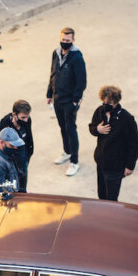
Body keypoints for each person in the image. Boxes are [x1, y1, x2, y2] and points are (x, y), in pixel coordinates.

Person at [88, 85, 138, 202]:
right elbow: (91, 127)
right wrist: (97, 129)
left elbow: (135, 143)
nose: (106, 105)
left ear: (116, 102)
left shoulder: (126, 119)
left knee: (111, 200)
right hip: (101, 162)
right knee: (101, 195)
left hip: (116, 167)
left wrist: (130, 166)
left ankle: (110, 219)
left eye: (110, 103)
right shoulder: (100, 111)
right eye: (104, 102)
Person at [45, 27, 87, 176]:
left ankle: (74, 162)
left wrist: (75, 100)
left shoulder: (77, 57)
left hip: (70, 101)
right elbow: (52, 74)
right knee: (62, 127)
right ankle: (67, 152)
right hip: (57, 98)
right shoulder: (55, 53)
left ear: (73, 40)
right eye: (63, 40)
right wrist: (49, 93)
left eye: (68, 41)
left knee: (70, 129)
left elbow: (82, 81)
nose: (65, 43)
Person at [0, 127, 24, 200]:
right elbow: (2, 194)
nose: (15, 148)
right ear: (1, 142)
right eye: (12, 145)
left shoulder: (2, 151)